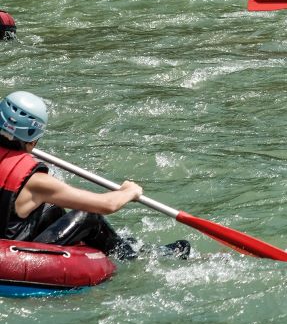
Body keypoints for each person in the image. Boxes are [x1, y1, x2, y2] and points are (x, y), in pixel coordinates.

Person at [0, 89, 183, 260]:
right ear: (34, 140)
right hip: (15, 256)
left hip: (7, 237)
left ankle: (134, 246)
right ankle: (135, 258)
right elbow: (107, 205)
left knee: (52, 209)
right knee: (88, 216)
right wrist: (129, 192)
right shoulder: (37, 182)